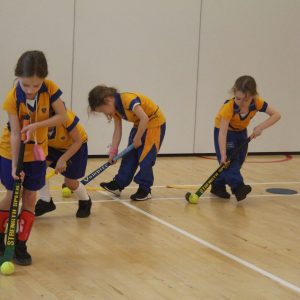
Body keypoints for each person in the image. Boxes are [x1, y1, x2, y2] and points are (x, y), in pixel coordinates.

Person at [0, 50, 67, 265]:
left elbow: (62, 116)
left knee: (30, 198)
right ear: (18, 76)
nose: (30, 90)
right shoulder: (12, 98)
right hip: (12, 151)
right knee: (12, 197)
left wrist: (37, 126)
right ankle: (2, 238)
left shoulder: (51, 88)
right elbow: (17, 133)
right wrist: (13, 166)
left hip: (37, 154)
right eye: (26, 84)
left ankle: (20, 244)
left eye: (36, 85)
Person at [88, 85, 166, 201]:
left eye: (102, 110)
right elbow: (117, 131)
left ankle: (145, 189)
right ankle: (119, 185)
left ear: (108, 100)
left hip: (154, 124)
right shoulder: (115, 110)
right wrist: (113, 152)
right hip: (140, 125)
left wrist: (138, 138)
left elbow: (145, 118)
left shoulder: (128, 100)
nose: (105, 114)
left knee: (145, 158)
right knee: (129, 157)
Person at [212, 75, 281, 201]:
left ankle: (217, 185)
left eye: (246, 100)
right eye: (238, 99)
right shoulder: (229, 107)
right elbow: (222, 133)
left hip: (241, 133)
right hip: (225, 133)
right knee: (229, 162)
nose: (242, 103)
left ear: (253, 96)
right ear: (234, 92)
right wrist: (222, 154)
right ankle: (238, 188)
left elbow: (276, 115)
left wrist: (260, 127)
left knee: (238, 162)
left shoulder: (257, 102)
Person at [35, 108, 92, 218]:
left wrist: (62, 159)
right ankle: (46, 201)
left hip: (75, 146)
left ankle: (85, 201)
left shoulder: (66, 118)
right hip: (52, 146)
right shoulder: (35, 122)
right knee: (38, 169)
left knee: (70, 183)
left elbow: (78, 142)